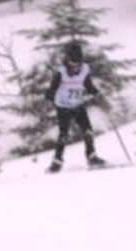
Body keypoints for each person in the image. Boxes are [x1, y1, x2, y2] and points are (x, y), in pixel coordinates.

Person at [46, 41, 107, 172]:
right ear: (68, 60)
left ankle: (92, 156)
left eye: (78, 63)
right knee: (63, 135)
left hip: (78, 105)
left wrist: (97, 94)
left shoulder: (84, 70)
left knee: (88, 131)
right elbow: (51, 90)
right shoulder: (61, 73)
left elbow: (88, 85)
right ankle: (56, 162)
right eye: (73, 63)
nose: (76, 67)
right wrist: (50, 96)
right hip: (63, 107)